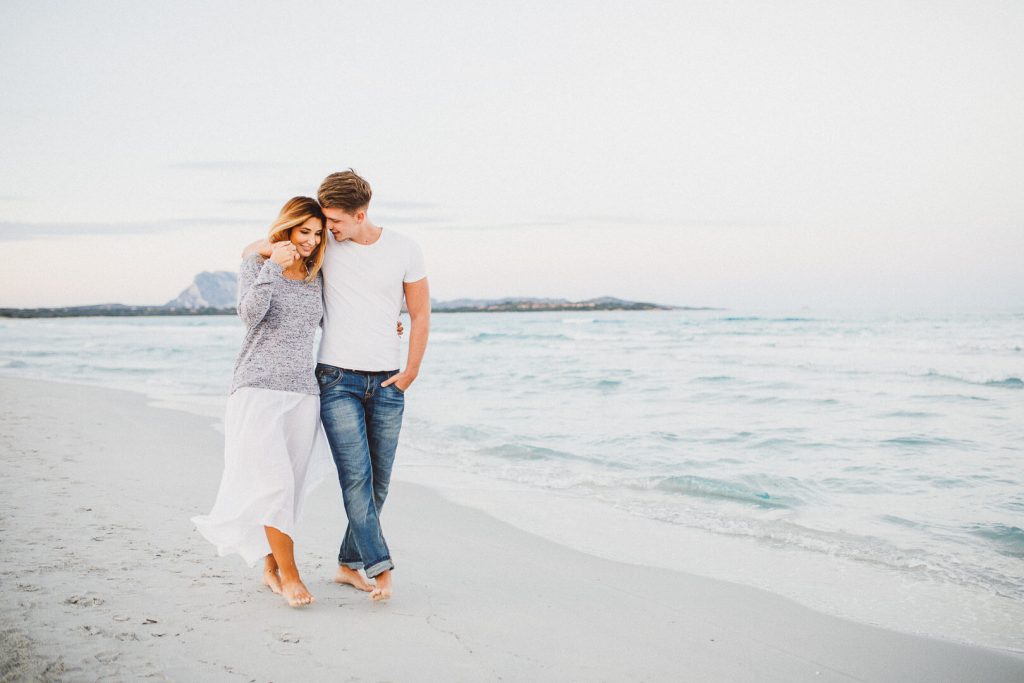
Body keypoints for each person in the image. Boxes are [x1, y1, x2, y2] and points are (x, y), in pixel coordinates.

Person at [192, 197, 333, 608]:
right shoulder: (257, 264)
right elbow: (249, 314)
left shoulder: (317, 274)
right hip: (257, 389)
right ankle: (291, 575)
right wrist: (271, 265)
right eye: (304, 231)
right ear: (287, 227)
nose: (311, 240)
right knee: (274, 485)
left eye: (317, 233)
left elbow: (335, 321)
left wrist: (388, 323)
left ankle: (271, 569)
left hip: (303, 394)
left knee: (289, 490)